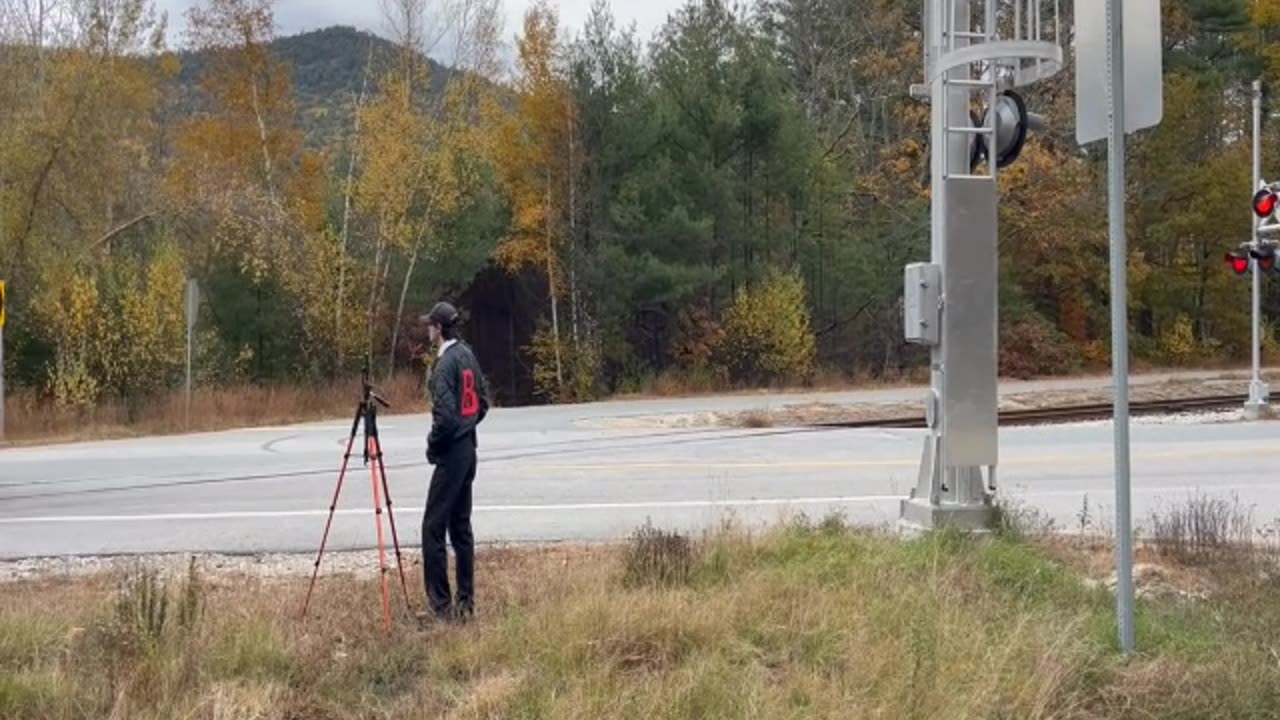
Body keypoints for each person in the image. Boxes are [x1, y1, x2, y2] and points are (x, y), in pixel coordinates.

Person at [419, 301, 490, 623]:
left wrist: (434, 445)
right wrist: (468, 428)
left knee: (433, 528)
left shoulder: (445, 364)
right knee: (460, 527)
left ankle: (441, 606)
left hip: (452, 452)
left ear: (438, 328)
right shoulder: (468, 355)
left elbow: (445, 418)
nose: (428, 330)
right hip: (469, 449)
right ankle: (466, 601)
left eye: (430, 325)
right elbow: (484, 403)